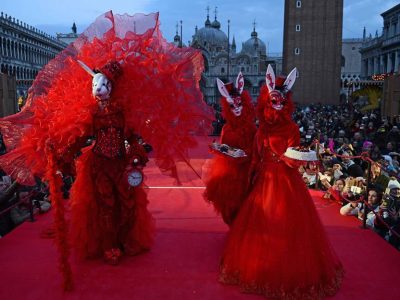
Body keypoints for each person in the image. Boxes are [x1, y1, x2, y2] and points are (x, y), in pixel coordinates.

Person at [0, 11, 212, 290]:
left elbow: (134, 135)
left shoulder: (123, 112)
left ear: (112, 87)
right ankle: (110, 243)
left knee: (126, 203)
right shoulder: (91, 114)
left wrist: (136, 152)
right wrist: (62, 152)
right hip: (99, 163)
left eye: (102, 85)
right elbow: (80, 137)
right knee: (105, 204)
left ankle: (124, 239)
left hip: (121, 164)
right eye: (95, 85)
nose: (98, 89)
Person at [219, 65, 343, 299]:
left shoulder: (292, 128)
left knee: (286, 222)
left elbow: (293, 156)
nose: (276, 104)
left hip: (285, 181)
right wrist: (248, 172)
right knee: (262, 223)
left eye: (280, 101)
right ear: (266, 101)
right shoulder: (262, 128)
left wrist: (294, 158)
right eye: (273, 100)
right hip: (263, 180)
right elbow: (256, 156)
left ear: (286, 103)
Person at [203, 72, 256, 226]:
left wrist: (243, 155)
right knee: (228, 206)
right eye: (232, 105)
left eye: (239, 104)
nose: (236, 108)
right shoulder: (226, 128)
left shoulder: (251, 128)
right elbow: (223, 146)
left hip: (244, 173)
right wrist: (218, 149)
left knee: (243, 205)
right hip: (228, 172)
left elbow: (256, 151)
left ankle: (241, 230)